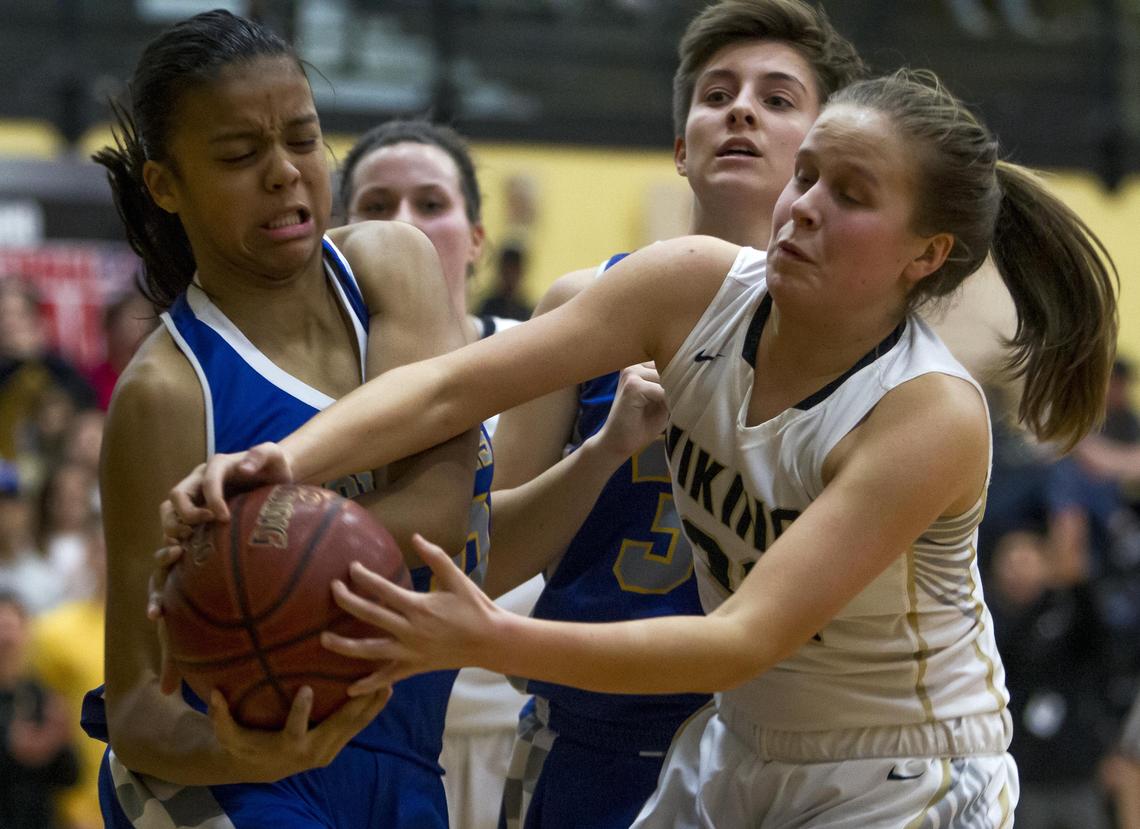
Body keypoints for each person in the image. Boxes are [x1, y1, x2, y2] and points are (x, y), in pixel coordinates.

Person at [171, 67, 1119, 827]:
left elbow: (739, 636)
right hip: (742, 742)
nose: (803, 206)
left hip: (904, 768)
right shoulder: (695, 284)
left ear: (928, 255)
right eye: (810, 173)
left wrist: (488, 635)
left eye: (853, 195)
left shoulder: (926, 414)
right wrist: (289, 459)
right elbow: (455, 383)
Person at [81, 10, 480, 829]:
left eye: (303, 139)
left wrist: (258, 555)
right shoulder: (168, 391)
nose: (284, 173)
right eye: (239, 154)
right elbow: (137, 703)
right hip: (231, 781)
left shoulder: (394, 266)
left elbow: (445, 509)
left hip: (403, 754)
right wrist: (243, 753)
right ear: (165, 184)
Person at [481, 2, 866, 825]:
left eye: (778, 98)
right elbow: (488, 556)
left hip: (774, 748)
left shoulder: (863, 344)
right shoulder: (580, 306)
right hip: (591, 739)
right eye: (718, 92)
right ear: (681, 148)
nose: (741, 109)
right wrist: (602, 452)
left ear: (824, 159)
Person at [337, 117, 544, 829]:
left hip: (515, 724)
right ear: (339, 235)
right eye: (375, 206)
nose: (404, 226)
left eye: (430, 204)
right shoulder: (314, 387)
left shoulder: (543, 355)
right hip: (359, 734)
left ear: (478, 236)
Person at [0, 589, 80, 829]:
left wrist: (60, 744)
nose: (6, 638)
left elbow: (70, 777)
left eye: (12, 627)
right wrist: (10, 751)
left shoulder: (40, 695)